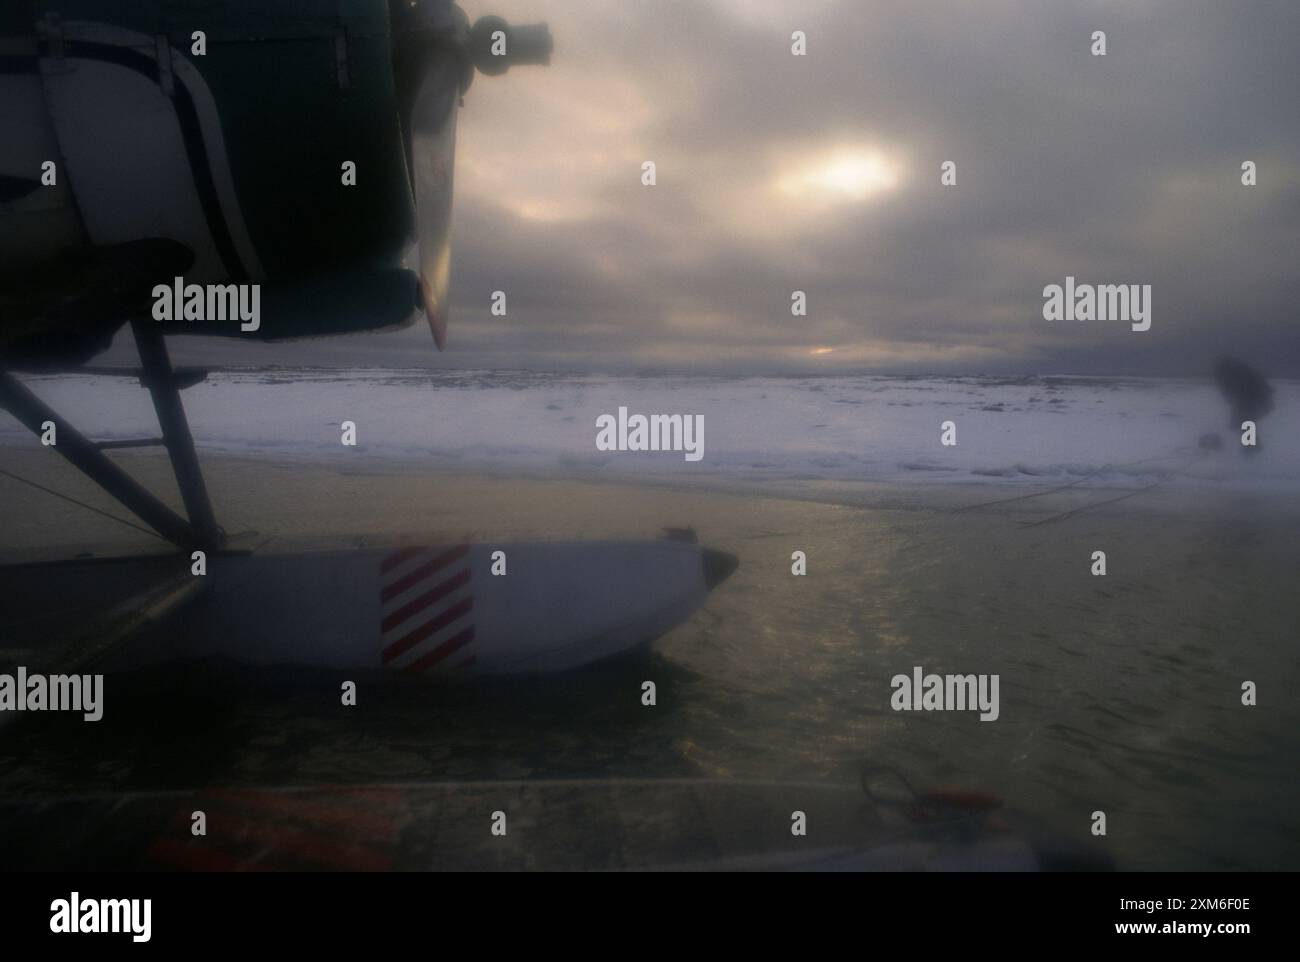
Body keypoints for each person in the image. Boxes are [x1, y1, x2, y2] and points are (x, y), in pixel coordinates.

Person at [1213, 356, 1273, 454]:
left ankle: (1251, 448)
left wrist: (1235, 416)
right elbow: (1233, 396)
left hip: (1256, 399)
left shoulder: (1237, 376)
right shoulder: (1237, 374)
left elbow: (1238, 395)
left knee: (1245, 421)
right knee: (1245, 421)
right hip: (1254, 399)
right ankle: (1252, 447)